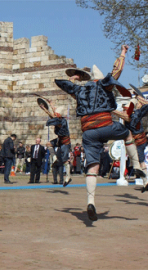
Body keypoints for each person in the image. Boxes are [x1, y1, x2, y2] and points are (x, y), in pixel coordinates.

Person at [55, 44, 147, 221]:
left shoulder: (79, 90)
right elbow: (117, 70)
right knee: (127, 135)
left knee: (92, 167)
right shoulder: (104, 84)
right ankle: (136, 166)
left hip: (88, 132)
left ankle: (91, 202)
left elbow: (61, 83)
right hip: (105, 124)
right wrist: (123, 53)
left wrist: (74, 78)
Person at [40, 104, 72, 186]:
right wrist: (47, 107)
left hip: (65, 141)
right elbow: (53, 116)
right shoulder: (59, 119)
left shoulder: (61, 121)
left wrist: (47, 110)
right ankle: (54, 158)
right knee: (49, 144)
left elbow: (52, 118)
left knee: (65, 160)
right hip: (60, 139)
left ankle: (68, 176)